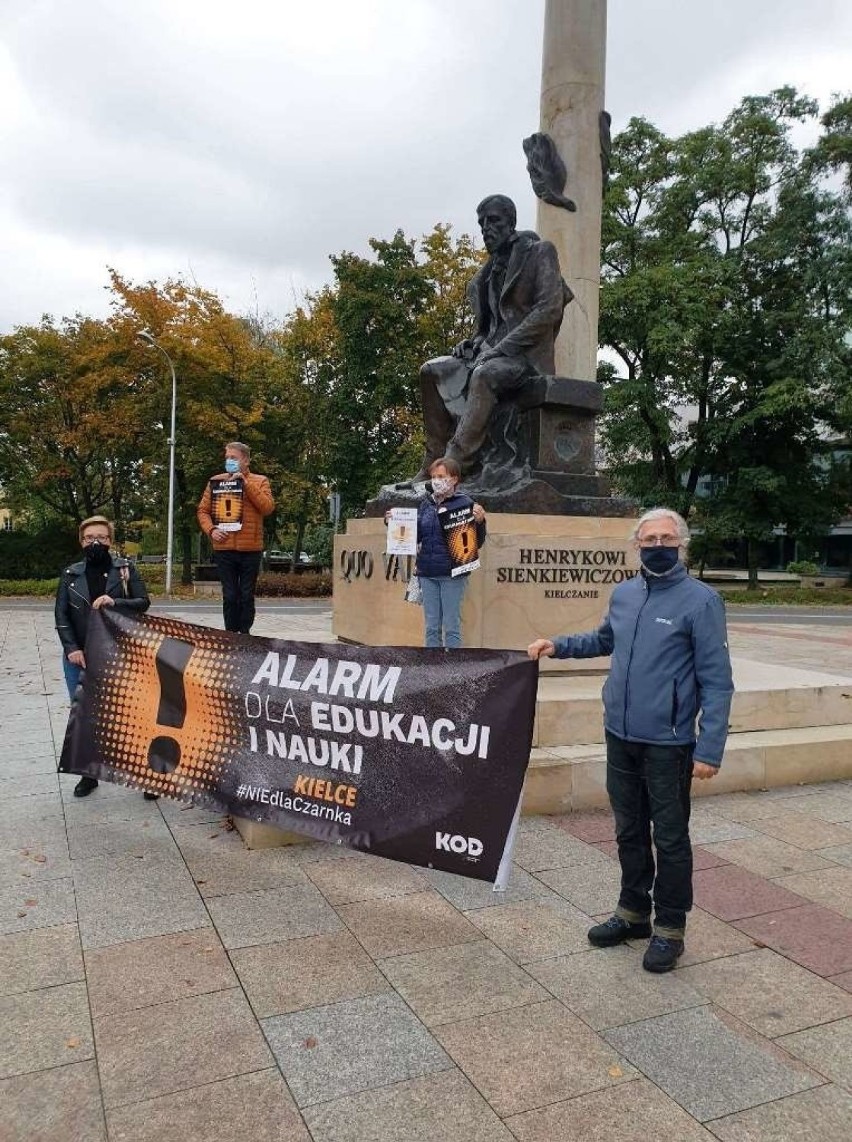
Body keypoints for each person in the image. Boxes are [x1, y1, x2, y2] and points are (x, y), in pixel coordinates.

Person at [527, 508, 734, 972]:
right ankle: (634, 912)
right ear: (636, 546)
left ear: (681, 544)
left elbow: (718, 682)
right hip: (620, 734)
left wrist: (709, 746)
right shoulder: (625, 593)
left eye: (666, 538)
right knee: (629, 829)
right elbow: (605, 640)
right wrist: (557, 645)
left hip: (670, 740)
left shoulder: (701, 602)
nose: (657, 545)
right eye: (648, 539)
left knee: (671, 836)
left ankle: (670, 928)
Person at [412, 194, 572, 480]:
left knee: (486, 373)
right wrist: (474, 342)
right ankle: (432, 460)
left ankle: (455, 463)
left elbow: (548, 309)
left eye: (494, 220)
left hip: (525, 356)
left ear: (511, 222)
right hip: (491, 351)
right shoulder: (485, 274)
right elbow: (491, 325)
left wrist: (499, 348)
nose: (487, 228)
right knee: (430, 370)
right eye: (482, 223)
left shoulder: (539, 252)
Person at [55, 515, 152, 798]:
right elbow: (61, 614)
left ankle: (146, 775)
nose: (95, 542)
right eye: (89, 538)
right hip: (81, 655)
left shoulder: (125, 569)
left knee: (134, 715)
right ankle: (89, 774)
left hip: (121, 653)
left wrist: (115, 601)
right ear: (81, 541)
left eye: (100, 537)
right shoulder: (70, 574)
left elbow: (143, 602)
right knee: (85, 716)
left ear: (109, 540)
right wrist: (71, 648)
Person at [197, 442, 274, 634]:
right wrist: (212, 530)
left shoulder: (260, 481)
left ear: (246, 460)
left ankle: (245, 633)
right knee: (230, 596)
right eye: (227, 458)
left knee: (246, 595)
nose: (229, 461)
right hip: (224, 548)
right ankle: (230, 635)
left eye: (234, 458)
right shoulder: (216, 481)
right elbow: (202, 511)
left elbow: (267, 507)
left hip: (251, 549)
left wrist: (245, 484)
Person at [410, 457, 486, 649]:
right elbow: (415, 535)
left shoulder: (465, 503)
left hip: (452, 574)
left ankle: (453, 670)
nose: (436, 480)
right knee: (431, 627)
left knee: (452, 626)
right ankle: (432, 668)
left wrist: (480, 523)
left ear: (454, 479)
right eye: (433, 476)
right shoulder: (425, 504)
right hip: (427, 573)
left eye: (441, 476)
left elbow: (477, 542)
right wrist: (394, 524)